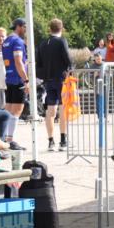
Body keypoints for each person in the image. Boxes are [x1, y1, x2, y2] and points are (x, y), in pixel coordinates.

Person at [37, 18, 72, 152]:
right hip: (61, 79)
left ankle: (51, 141)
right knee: (63, 109)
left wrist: (44, 75)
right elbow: (68, 60)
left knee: (50, 111)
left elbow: (38, 63)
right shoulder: (61, 41)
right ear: (61, 28)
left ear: (49, 29)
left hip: (48, 80)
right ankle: (63, 141)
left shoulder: (42, 44)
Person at [1, 18, 29, 148]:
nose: (26, 29)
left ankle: (4, 138)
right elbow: (18, 62)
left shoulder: (6, 41)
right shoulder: (18, 41)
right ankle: (9, 140)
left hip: (9, 77)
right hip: (18, 79)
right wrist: (26, 80)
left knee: (9, 109)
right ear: (19, 26)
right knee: (17, 110)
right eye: (24, 27)